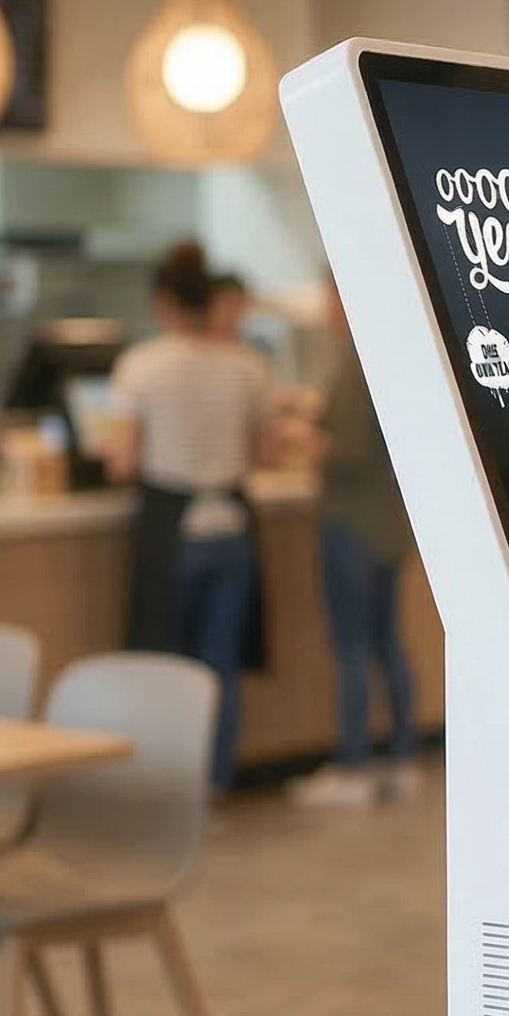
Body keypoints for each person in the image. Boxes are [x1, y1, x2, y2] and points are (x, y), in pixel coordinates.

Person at [109, 242, 277, 792]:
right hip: (232, 530)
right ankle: (215, 784)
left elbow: (123, 461)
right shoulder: (247, 366)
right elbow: (263, 455)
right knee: (220, 668)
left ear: (162, 301)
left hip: (172, 532)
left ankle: (168, 788)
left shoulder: (141, 365)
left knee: (167, 666)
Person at [287, 289, 421, 810]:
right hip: (388, 523)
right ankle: (404, 756)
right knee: (387, 642)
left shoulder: (352, 362)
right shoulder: (387, 354)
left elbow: (349, 451)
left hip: (351, 522)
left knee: (350, 649)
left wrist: (302, 434)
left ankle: (353, 766)